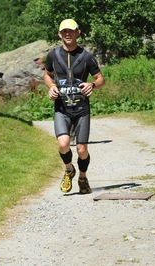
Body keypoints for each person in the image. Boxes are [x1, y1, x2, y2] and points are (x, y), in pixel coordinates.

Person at [44, 19, 105, 194]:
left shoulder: (86, 57)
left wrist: (92, 85)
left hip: (81, 109)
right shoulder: (53, 55)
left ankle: (83, 178)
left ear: (78, 32)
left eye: (71, 31)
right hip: (61, 108)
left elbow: (101, 79)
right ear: (60, 34)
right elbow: (47, 75)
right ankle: (69, 169)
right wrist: (51, 87)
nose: (67, 34)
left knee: (81, 149)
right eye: (64, 32)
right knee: (63, 144)